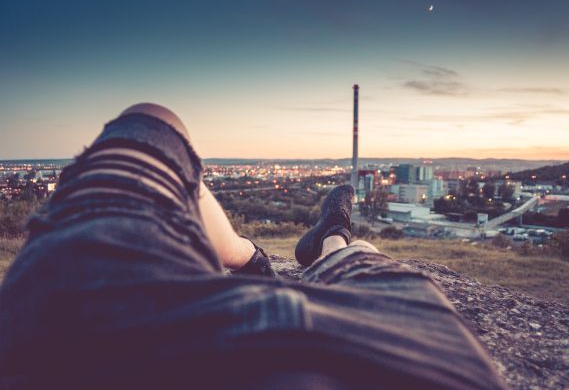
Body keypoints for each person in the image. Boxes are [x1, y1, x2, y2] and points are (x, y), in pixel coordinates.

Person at [0, 104, 507, 389]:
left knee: (148, 126)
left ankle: (251, 257)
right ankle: (332, 236)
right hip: (396, 368)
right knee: (362, 259)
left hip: (88, 338)